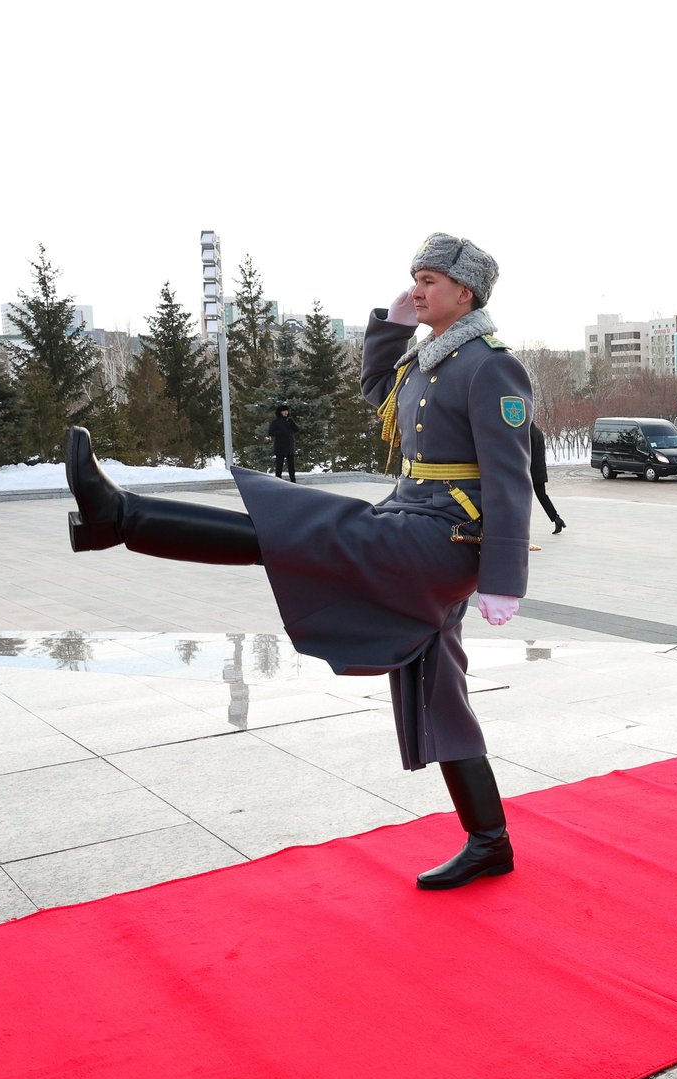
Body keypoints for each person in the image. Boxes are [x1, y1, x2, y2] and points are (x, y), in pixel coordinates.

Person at [64, 232, 531, 891]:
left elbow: (509, 479)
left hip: (447, 537)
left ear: (466, 292)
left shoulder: (492, 366)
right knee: (438, 687)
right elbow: (378, 391)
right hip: (413, 518)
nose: (417, 289)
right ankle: (490, 841)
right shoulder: (436, 359)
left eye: (428, 280)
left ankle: (122, 519)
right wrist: (389, 328)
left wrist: (504, 578)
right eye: (414, 278)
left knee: (307, 528)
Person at [528, 421, 566, 535]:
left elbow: (528, 453)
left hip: (532, 472)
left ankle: (556, 519)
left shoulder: (530, 433)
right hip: (538, 472)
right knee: (542, 497)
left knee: (522, 498)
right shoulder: (537, 432)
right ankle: (556, 519)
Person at [267, 404, 299, 481]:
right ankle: (278, 481)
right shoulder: (276, 422)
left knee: (291, 466)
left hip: (289, 446)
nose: (285, 412)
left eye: (286, 411)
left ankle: (293, 481)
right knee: (279, 466)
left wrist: (292, 423)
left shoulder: (290, 421)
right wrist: (281, 432)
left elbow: (297, 429)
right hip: (280, 446)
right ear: (280, 412)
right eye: (284, 411)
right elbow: (270, 432)